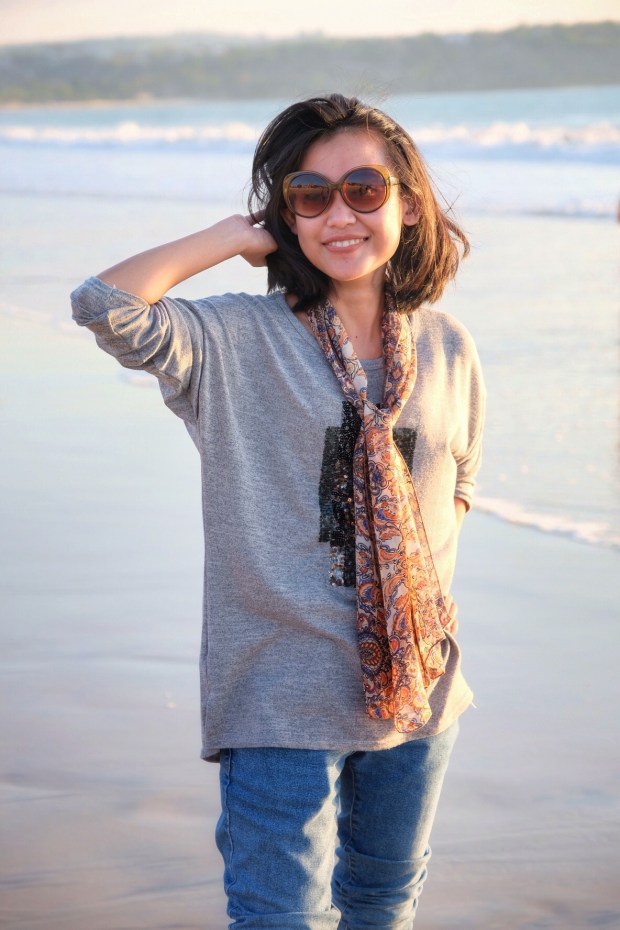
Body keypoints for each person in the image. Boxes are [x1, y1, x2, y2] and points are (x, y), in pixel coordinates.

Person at [71, 93, 485, 930]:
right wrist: (231, 236)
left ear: (408, 204)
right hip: (279, 694)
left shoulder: (447, 345)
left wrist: (412, 619)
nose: (341, 215)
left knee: (383, 905)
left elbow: (458, 487)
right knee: (276, 918)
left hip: (418, 695)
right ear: (285, 214)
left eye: (364, 189)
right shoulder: (234, 341)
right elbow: (106, 303)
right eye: (311, 195)